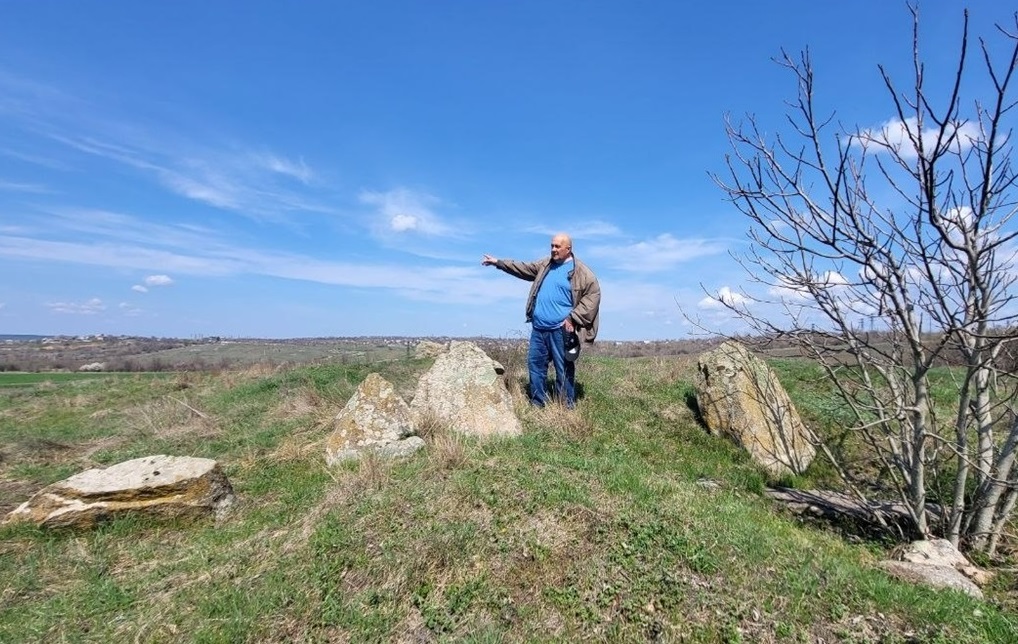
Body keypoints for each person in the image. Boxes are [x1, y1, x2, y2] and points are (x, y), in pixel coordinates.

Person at [482, 233, 601, 408]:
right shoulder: (545, 265)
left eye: (557, 246)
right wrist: (499, 263)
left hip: (562, 330)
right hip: (539, 329)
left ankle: (566, 407)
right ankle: (538, 403)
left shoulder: (582, 272)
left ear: (568, 249)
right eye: (552, 246)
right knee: (535, 366)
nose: (553, 249)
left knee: (564, 369)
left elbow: (593, 297)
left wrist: (573, 319)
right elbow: (523, 268)